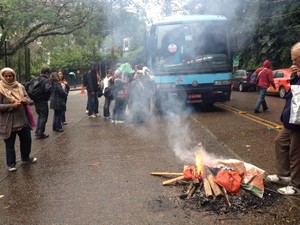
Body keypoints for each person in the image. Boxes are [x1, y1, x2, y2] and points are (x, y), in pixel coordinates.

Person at [267, 42, 300, 195]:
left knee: (296, 153)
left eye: (295, 60)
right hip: (291, 120)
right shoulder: (297, 73)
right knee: (280, 142)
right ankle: (283, 175)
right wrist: (294, 77)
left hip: (298, 122)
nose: (293, 63)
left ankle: (296, 186)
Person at [0, 67, 37, 172]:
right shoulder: (0, 88)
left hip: (22, 120)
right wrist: (11, 106)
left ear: (13, 76)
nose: (8, 78)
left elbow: (29, 100)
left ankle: (25, 158)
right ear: (2, 76)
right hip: (8, 123)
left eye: (10, 75)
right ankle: (11, 164)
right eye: (5, 76)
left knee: (27, 141)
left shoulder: (20, 86)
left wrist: (26, 101)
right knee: (10, 145)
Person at [34, 67, 52, 139]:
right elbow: (48, 89)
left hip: (36, 100)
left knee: (40, 116)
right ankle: (40, 133)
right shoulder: (45, 80)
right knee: (43, 117)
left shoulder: (36, 79)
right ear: (47, 73)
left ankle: (37, 131)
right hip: (42, 100)